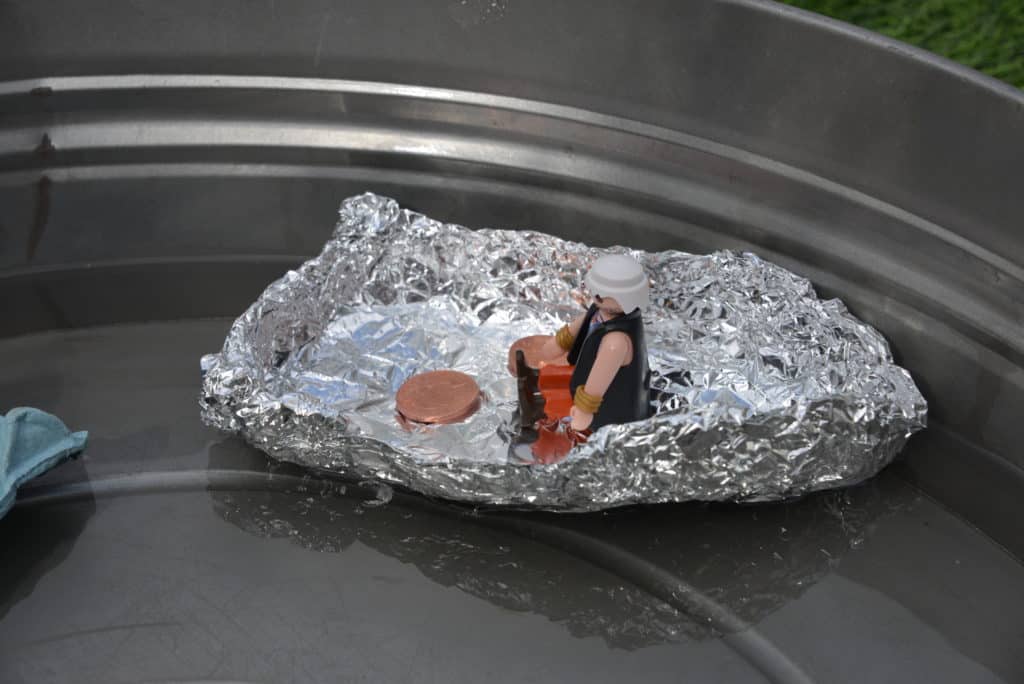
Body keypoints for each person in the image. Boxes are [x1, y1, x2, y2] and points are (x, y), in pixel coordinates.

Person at [529, 253, 652, 435]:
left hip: (612, 411)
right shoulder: (598, 311)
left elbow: (597, 383)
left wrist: (584, 411)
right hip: (583, 389)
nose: (597, 295)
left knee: (597, 436)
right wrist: (558, 343)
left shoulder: (616, 341)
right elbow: (577, 328)